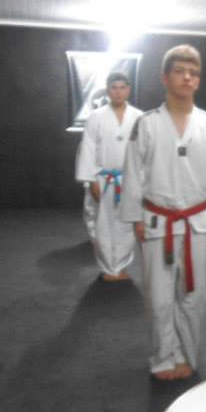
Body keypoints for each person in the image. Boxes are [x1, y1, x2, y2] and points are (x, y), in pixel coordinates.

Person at [120, 44, 206, 381]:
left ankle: (187, 355)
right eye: (180, 71)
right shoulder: (147, 123)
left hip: (196, 219)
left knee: (195, 295)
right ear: (165, 78)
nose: (187, 78)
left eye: (194, 73)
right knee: (158, 298)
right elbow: (132, 170)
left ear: (199, 80)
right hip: (158, 220)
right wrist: (135, 218)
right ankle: (163, 358)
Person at [75, 72, 142, 281]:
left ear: (128, 90)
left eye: (122, 87)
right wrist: (91, 180)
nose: (118, 92)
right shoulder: (96, 117)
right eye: (114, 88)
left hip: (130, 178)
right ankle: (108, 267)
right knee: (103, 224)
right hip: (103, 178)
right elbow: (88, 149)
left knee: (126, 224)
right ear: (107, 90)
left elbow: (144, 151)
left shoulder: (139, 117)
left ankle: (120, 265)